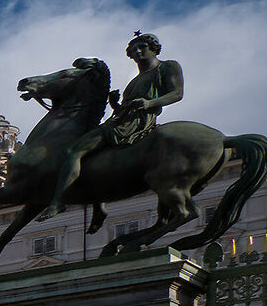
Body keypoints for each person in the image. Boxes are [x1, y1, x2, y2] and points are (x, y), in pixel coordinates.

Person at [47, 32, 183, 215]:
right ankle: (98, 203)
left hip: (135, 123)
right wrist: (115, 104)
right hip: (121, 119)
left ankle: (58, 202)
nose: (137, 52)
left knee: (74, 151)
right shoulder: (134, 81)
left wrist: (149, 103)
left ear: (153, 48)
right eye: (133, 50)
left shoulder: (167, 67)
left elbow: (177, 93)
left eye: (142, 47)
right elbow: (124, 109)